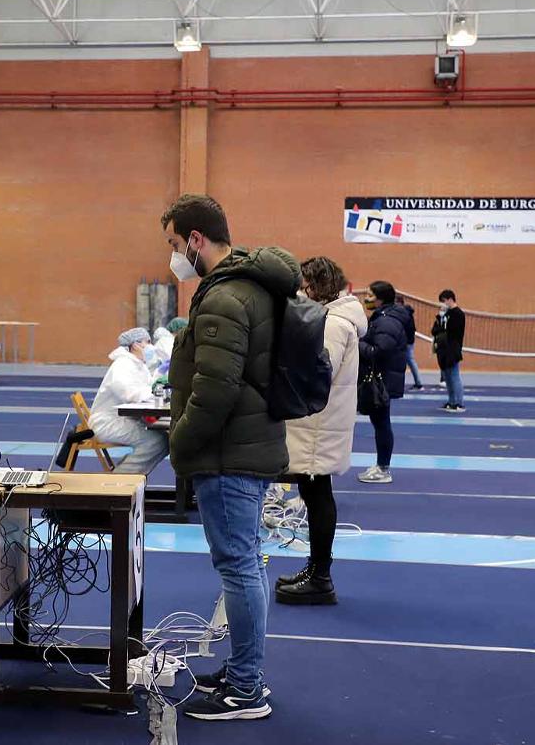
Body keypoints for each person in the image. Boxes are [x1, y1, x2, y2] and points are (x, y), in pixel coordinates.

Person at [161, 193, 298, 721]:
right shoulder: (250, 287)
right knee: (245, 565)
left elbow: (214, 389)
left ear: (196, 239)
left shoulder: (224, 296)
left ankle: (245, 689)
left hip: (228, 454)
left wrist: (180, 443)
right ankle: (245, 673)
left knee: (239, 568)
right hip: (249, 443)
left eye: (175, 244)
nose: (173, 256)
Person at [275, 257, 366, 606]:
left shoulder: (332, 323)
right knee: (315, 497)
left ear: (315, 287)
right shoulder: (334, 319)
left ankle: (321, 577)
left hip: (318, 425)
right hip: (318, 422)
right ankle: (315, 569)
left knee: (318, 496)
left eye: (303, 286)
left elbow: (316, 371)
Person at [88, 327, 169, 476]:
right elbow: (129, 393)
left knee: (164, 439)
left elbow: (147, 385)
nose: (150, 346)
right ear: (135, 344)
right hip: (108, 423)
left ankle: (131, 476)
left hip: (125, 419)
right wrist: (156, 392)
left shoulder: (138, 365)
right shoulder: (122, 365)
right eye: (147, 342)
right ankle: (120, 480)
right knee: (156, 442)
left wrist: (160, 375)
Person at [357, 281, 412, 485]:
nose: (367, 299)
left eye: (370, 295)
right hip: (382, 378)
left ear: (380, 298)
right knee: (380, 422)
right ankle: (382, 465)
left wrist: (357, 342)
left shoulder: (387, 321)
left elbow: (378, 351)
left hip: (382, 381)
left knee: (381, 423)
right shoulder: (382, 317)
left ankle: (383, 468)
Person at [431, 289, 467, 412]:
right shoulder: (444, 314)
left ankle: (459, 403)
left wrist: (443, 325)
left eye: (443, 301)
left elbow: (452, 331)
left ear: (450, 299)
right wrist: (440, 319)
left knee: (454, 375)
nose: (442, 304)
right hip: (442, 349)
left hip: (452, 348)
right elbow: (435, 330)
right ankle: (451, 401)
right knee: (447, 377)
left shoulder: (458, 314)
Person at [396, 295, 424, 391]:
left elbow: (406, 328)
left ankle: (418, 383)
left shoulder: (403, 313)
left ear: (399, 303)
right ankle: (418, 382)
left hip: (406, 341)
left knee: (409, 361)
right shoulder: (407, 312)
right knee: (409, 361)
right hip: (408, 340)